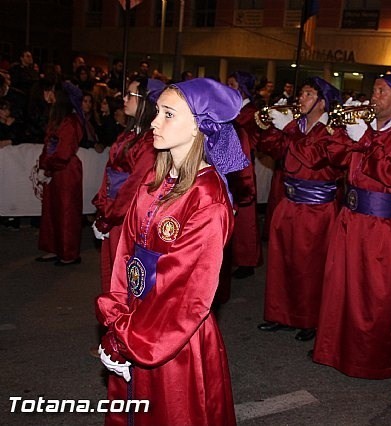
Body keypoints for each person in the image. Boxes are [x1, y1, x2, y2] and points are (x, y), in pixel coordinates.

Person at [95, 78, 247, 425]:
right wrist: (117, 319)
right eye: (157, 112)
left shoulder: (207, 197)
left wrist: (129, 338)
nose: (153, 122)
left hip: (170, 336)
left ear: (198, 126)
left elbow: (185, 292)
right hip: (135, 321)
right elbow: (126, 258)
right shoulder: (157, 180)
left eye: (167, 114)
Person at [311, 74, 391, 379]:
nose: (374, 96)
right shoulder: (367, 128)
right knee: (341, 287)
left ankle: (370, 357)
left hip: (379, 225)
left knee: (375, 294)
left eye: (381, 91)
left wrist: (365, 141)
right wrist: (343, 132)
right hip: (350, 218)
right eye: (373, 90)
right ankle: (335, 349)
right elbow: (335, 156)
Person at [255, 76, 344, 342]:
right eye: (302, 94)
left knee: (310, 267)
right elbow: (270, 148)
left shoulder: (332, 130)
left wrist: (291, 128)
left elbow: (314, 157)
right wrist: (272, 126)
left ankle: (309, 319)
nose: (300, 99)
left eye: (307, 94)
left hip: (316, 208)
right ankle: (282, 314)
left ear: (321, 102)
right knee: (283, 262)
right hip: (290, 202)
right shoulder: (298, 125)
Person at [92, 77, 164, 293]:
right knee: (113, 272)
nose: (124, 98)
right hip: (114, 213)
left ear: (146, 101)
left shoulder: (151, 141)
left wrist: (108, 218)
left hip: (128, 218)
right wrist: (103, 208)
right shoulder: (130, 133)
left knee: (125, 277)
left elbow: (135, 187)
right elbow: (110, 172)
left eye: (130, 94)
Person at [35, 81, 84, 265]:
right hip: (55, 169)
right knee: (51, 209)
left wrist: (47, 167)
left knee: (66, 211)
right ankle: (54, 247)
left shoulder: (70, 121)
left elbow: (64, 152)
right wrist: (43, 165)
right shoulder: (57, 119)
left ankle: (69, 253)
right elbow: (49, 145)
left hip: (66, 171)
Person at [226, 71, 263, 280]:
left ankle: (247, 260)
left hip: (243, 167)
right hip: (231, 166)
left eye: (232, 84)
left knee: (246, 217)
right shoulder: (234, 110)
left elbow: (254, 140)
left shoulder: (250, 112)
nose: (228, 87)